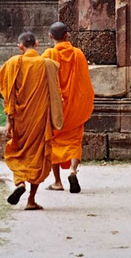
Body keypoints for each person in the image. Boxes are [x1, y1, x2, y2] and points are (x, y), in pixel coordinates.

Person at [0, 31, 63, 210]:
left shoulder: (12, 64)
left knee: (17, 152)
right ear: (37, 43)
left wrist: (9, 120)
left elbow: (9, 94)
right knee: (38, 156)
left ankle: (19, 183)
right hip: (40, 120)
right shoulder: (48, 65)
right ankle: (31, 200)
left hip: (19, 119)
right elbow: (56, 94)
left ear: (20, 46)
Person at [42, 21, 94, 193]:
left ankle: (57, 181)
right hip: (75, 106)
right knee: (73, 141)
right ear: (67, 35)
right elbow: (84, 83)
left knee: (54, 142)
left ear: (50, 36)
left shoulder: (48, 54)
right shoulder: (78, 54)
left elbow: (42, 81)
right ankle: (72, 170)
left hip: (55, 108)